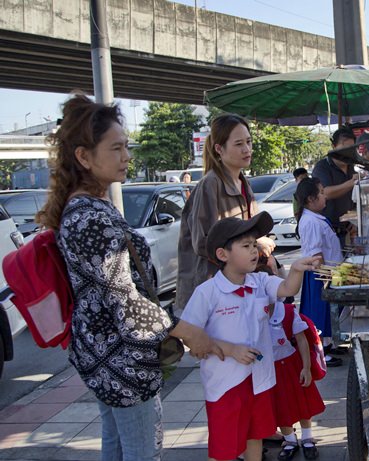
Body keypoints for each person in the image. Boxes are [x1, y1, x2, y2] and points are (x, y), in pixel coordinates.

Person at [36, 93, 221, 461]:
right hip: (121, 361)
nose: (127, 157)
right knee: (142, 451)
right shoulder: (90, 216)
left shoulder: (84, 206)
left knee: (118, 447)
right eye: (116, 148)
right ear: (84, 157)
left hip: (103, 355)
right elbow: (125, 301)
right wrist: (187, 331)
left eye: (126, 147)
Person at [180, 212, 320, 461]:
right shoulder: (208, 292)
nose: (254, 251)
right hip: (227, 385)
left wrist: (297, 269)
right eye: (246, 246)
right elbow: (188, 334)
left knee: (255, 437)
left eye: (255, 244)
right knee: (225, 448)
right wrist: (229, 348)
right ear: (223, 255)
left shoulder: (260, 281)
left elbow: (287, 289)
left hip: (261, 380)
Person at [177, 113, 258, 310]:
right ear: (219, 149)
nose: (247, 149)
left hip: (237, 284)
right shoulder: (210, 184)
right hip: (212, 289)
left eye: (248, 142)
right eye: (239, 144)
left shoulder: (243, 182)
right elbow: (203, 242)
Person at [295, 177, 344, 368]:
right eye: (321, 193)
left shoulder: (315, 217)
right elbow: (316, 255)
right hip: (320, 274)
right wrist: (327, 274)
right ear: (310, 199)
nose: (325, 196)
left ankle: (328, 345)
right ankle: (319, 351)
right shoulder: (310, 221)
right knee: (319, 312)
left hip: (329, 272)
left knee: (329, 312)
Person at [268, 301, 325, 461]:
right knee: (280, 405)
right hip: (270, 368)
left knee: (302, 403)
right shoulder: (251, 313)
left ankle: (307, 438)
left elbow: (302, 340)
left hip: (293, 364)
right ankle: (289, 440)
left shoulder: (286, 311)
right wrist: (260, 360)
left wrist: (306, 368)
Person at [311, 127, 358, 249]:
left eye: (351, 149)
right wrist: (351, 182)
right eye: (343, 148)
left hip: (348, 229)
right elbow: (325, 193)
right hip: (328, 231)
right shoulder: (322, 167)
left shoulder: (351, 166)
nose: (347, 152)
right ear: (333, 146)